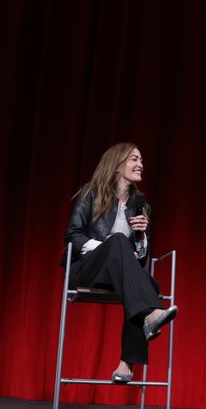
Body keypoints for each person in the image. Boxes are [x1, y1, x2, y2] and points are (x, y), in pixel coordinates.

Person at [61, 143, 177, 384]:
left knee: (149, 283)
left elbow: (141, 258)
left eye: (141, 160)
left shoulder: (141, 205)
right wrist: (109, 248)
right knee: (118, 242)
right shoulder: (90, 194)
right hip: (88, 269)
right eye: (134, 159)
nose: (141, 164)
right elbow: (72, 235)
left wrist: (142, 236)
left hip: (119, 275)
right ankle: (151, 314)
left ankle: (126, 363)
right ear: (116, 164)